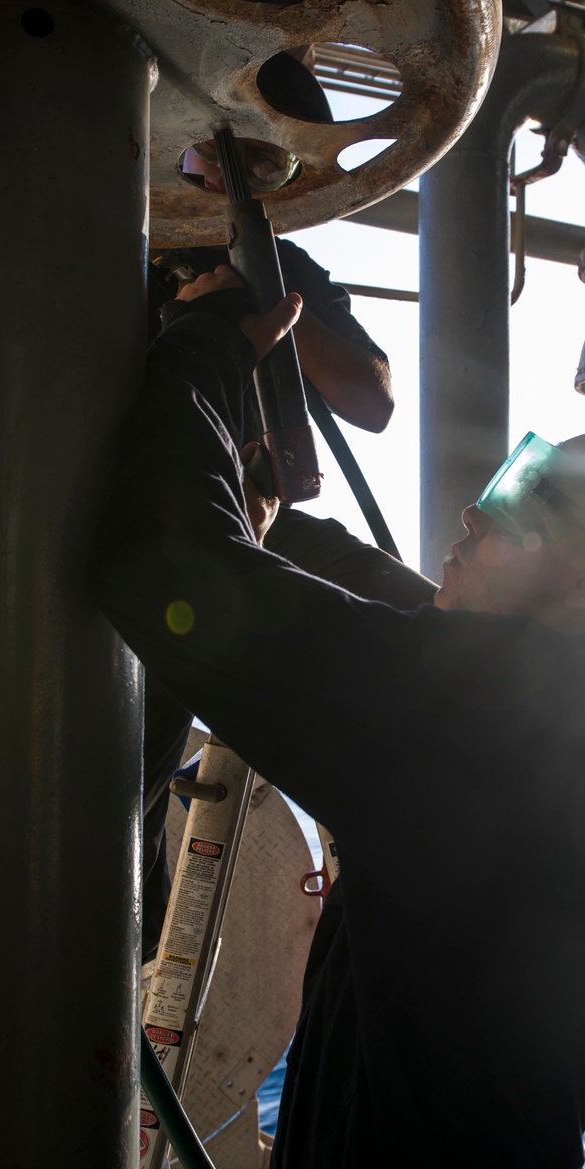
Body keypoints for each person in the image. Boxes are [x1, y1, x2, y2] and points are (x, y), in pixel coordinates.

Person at [91, 268, 585, 1169]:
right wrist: (274, 520)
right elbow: (391, 615)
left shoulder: (500, 721)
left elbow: (153, 563)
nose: (478, 512)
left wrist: (209, 343)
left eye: (525, 499)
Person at [141, 50, 396, 964]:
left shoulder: (290, 266)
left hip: (266, 524)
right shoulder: (123, 246)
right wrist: (201, 321)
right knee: (126, 774)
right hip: (162, 539)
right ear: (179, 152)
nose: (233, 176)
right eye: (218, 156)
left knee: (421, 619)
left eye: (264, 163)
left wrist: (274, 294)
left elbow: (370, 400)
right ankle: (107, 950)